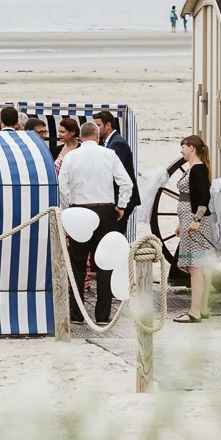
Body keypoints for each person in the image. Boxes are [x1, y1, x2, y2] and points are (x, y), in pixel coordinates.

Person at [57, 121, 133, 323]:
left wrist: (68, 208)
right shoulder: (109, 154)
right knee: (105, 263)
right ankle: (102, 315)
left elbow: (62, 186)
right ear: (97, 136)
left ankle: (76, 313)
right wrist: (122, 205)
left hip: (78, 210)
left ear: (80, 137)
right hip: (105, 210)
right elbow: (126, 183)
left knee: (77, 263)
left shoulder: (71, 156)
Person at [168, 136, 216, 323]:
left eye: (183, 146)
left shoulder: (197, 169)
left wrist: (196, 220)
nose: (181, 150)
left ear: (192, 148)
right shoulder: (196, 168)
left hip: (194, 222)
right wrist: (182, 222)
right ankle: (202, 309)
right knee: (202, 265)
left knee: (195, 267)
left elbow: (204, 197)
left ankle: (194, 312)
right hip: (189, 220)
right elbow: (193, 197)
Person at [94, 109, 139, 218]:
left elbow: (113, 171)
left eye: (98, 126)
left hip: (120, 199)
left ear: (108, 125)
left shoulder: (117, 143)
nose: (95, 130)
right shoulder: (108, 142)